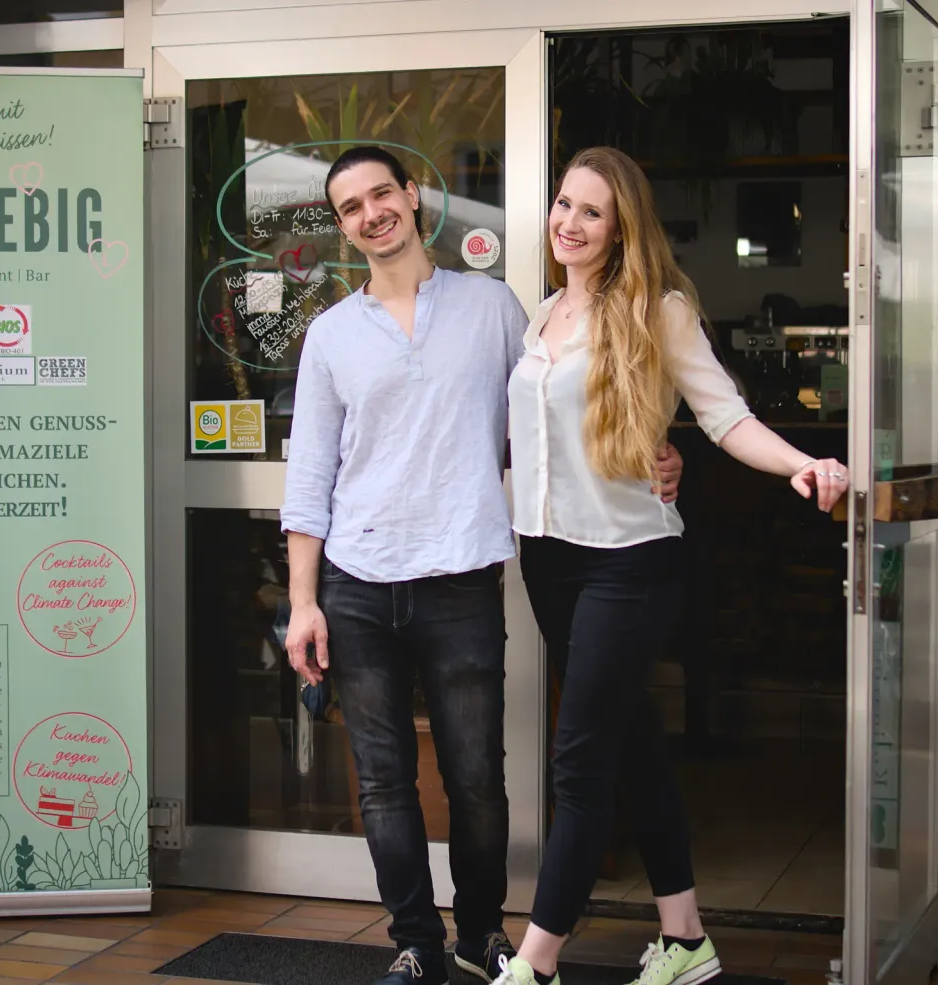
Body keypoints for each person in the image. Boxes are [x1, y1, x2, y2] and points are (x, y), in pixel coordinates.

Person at [280, 145, 685, 985]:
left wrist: (653, 449)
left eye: (380, 194)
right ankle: (415, 944)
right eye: (350, 206)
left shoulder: (496, 308)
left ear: (414, 196)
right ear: (343, 226)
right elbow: (308, 478)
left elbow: (562, 408)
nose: (370, 214)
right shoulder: (329, 336)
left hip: (463, 575)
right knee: (386, 782)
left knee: (477, 777)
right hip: (357, 582)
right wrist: (303, 602)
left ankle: (482, 935)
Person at [490, 146, 849, 985]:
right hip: (548, 558)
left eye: (591, 212)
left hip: (630, 559)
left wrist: (799, 461)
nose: (568, 223)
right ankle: (686, 941)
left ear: (621, 231)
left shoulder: (659, 310)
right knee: (631, 743)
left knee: (579, 758)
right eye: (563, 204)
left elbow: (725, 416)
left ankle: (536, 962)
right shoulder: (539, 315)